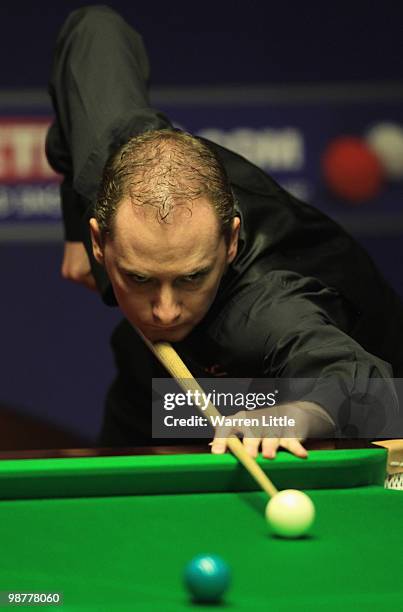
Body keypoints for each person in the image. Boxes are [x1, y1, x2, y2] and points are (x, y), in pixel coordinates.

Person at [46, 6, 403, 458]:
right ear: (101, 241)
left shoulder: (264, 309)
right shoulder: (110, 150)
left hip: (329, 390)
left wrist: (283, 416)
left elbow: (370, 393)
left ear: (230, 242)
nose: (166, 311)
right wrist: (70, 227)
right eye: (140, 278)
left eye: (191, 276)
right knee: (146, 402)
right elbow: (93, 28)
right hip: (174, 374)